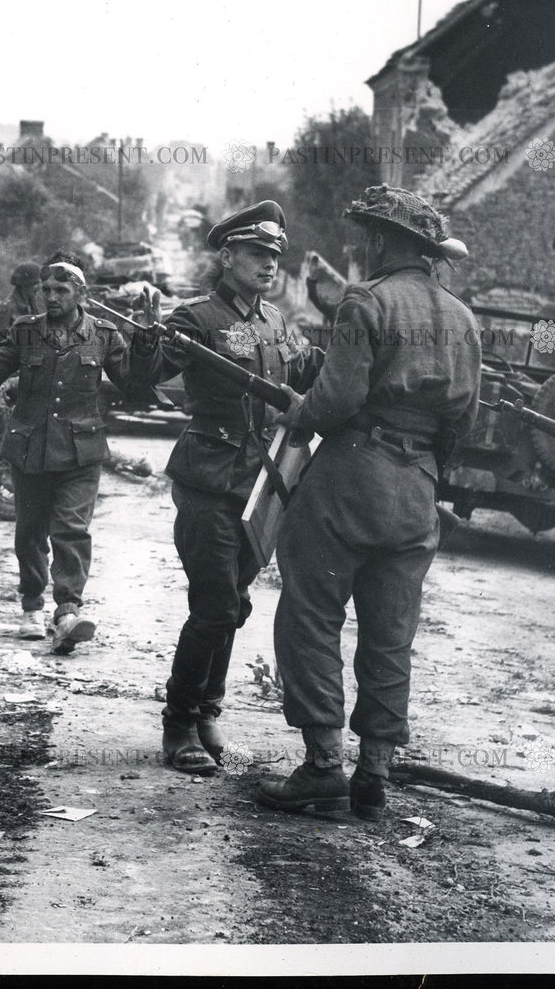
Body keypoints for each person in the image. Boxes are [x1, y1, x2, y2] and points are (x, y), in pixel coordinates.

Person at [257, 185, 480, 818]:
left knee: (310, 614)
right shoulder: (463, 319)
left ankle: (324, 766)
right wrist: (426, 469)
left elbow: (336, 400)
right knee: (391, 633)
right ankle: (373, 775)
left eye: (367, 236)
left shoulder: (367, 301)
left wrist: (300, 411)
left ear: (383, 240)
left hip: (351, 477)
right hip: (418, 489)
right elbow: (463, 421)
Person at [137, 201, 322, 775]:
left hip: (259, 486)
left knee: (234, 604)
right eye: (257, 253)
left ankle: (208, 713)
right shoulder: (196, 318)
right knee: (215, 604)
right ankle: (179, 723)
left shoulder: (276, 322)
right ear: (227, 256)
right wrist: (146, 342)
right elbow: (144, 377)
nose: (269, 264)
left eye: (274, 255)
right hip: (209, 479)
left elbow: (309, 371)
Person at [0, 261, 140, 651]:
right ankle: (32, 605)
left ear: (81, 294)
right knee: (30, 532)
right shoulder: (25, 331)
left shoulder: (104, 334)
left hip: (82, 452)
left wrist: (148, 346)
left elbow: (134, 381)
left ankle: (68, 611)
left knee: (72, 529)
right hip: (30, 449)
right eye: (47, 290)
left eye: (62, 290)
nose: (52, 297)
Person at [0, 261, 45, 349]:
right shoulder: (6, 310)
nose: (39, 287)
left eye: (40, 282)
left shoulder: (31, 305)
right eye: (36, 283)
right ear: (25, 284)